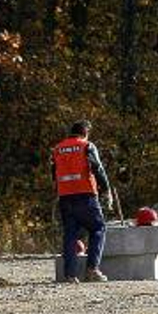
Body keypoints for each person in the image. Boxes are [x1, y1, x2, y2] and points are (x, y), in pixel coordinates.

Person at [51, 119, 113, 283]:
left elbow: (54, 174)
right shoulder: (87, 146)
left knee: (70, 234)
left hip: (65, 197)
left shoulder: (58, 149)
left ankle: (70, 275)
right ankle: (92, 269)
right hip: (85, 195)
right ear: (86, 133)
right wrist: (106, 190)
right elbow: (97, 168)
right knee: (98, 228)